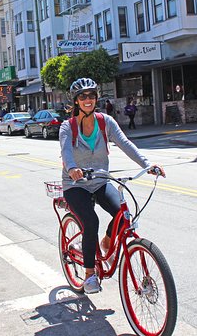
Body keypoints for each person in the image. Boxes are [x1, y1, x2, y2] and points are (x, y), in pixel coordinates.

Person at [60, 78, 164, 294]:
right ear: (76, 101)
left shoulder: (105, 121)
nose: (87, 100)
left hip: (100, 180)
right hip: (76, 184)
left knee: (124, 214)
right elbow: (66, 152)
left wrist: (147, 164)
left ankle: (107, 242)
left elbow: (125, 143)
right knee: (91, 221)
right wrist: (72, 168)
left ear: (96, 98)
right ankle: (89, 275)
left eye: (91, 96)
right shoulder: (67, 127)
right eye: (82, 97)